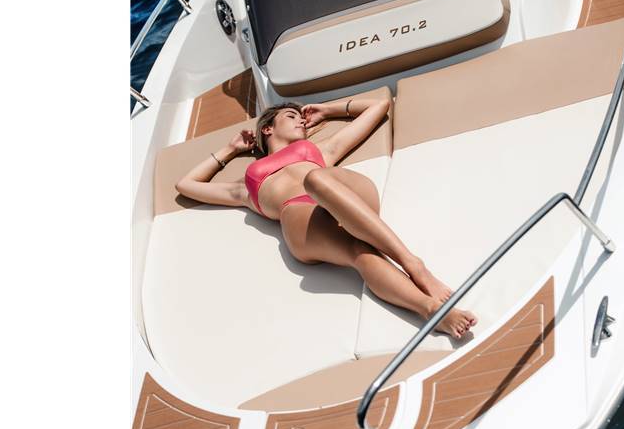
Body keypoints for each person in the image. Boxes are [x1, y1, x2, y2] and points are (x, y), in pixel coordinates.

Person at [174, 98, 477, 339]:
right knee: (360, 253)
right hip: (302, 217)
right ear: (267, 129)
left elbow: (379, 106)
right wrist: (230, 149)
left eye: (301, 118)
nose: (300, 121)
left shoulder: (320, 151)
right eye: (291, 116)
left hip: (340, 193)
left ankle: (414, 265)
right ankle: (431, 309)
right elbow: (186, 185)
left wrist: (328, 110)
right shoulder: (245, 187)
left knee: (316, 179)